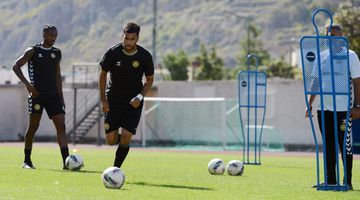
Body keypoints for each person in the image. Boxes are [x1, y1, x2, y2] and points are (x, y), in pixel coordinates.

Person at [305, 23, 360, 190]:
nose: (332, 40)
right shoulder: (321, 57)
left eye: (335, 36)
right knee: (328, 145)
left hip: (344, 109)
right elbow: (316, 82)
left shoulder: (351, 56)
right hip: (325, 109)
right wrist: (310, 104)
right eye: (329, 37)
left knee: (345, 145)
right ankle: (330, 180)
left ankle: (347, 181)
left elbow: (357, 83)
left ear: (341, 37)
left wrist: (357, 106)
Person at [12, 24, 69, 169]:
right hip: (37, 95)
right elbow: (16, 66)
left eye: (55, 35)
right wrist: (27, 84)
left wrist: (61, 97)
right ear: (44, 34)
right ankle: (27, 161)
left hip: (53, 96)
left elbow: (57, 76)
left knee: (61, 127)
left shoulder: (57, 53)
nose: (53, 38)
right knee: (33, 127)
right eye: (51, 35)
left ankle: (67, 162)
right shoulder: (33, 51)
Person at [99, 22, 154, 168]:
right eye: (126, 38)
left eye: (132, 39)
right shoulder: (112, 52)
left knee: (125, 137)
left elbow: (149, 80)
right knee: (110, 140)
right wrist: (103, 99)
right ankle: (118, 139)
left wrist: (140, 97)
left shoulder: (145, 56)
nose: (128, 42)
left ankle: (115, 169)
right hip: (113, 100)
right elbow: (103, 74)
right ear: (122, 36)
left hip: (133, 102)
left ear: (137, 39)